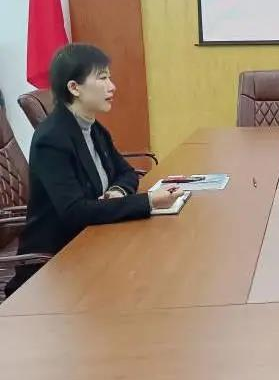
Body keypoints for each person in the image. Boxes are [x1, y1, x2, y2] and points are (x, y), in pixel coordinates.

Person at [5, 44, 182, 297]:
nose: (112, 86)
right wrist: (149, 201)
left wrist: (117, 192)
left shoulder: (92, 127)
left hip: (95, 241)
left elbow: (127, 173)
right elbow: (75, 212)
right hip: (56, 264)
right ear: (74, 88)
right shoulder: (52, 140)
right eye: (102, 78)